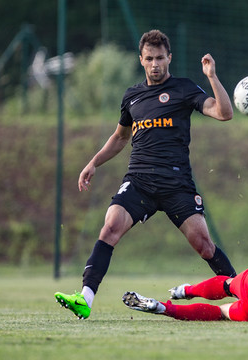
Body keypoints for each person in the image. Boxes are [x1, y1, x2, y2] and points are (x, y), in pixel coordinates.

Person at [55, 29, 236, 319]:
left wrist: (212, 76)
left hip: (176, 183)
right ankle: (85, 298)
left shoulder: (185, 88)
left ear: (169, 58)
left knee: (204, 246)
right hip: (139, 180)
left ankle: (244, 292)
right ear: (141, 59)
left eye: (160, 58)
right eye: (149, 58)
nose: (155, 64)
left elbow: (224, 113)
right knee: (110, 227)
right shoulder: (132, 96)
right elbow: (119, 138)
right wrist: (93, 162)